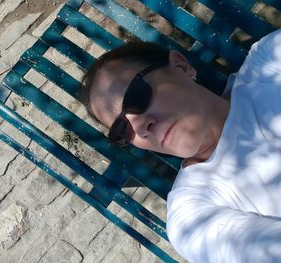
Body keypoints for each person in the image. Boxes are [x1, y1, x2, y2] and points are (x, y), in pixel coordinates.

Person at [80, 29, 281, 262]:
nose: (141, 127)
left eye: (136, 96)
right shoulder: (192, 215)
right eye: (122, 129)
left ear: (182, 67)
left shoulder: (269, 61)